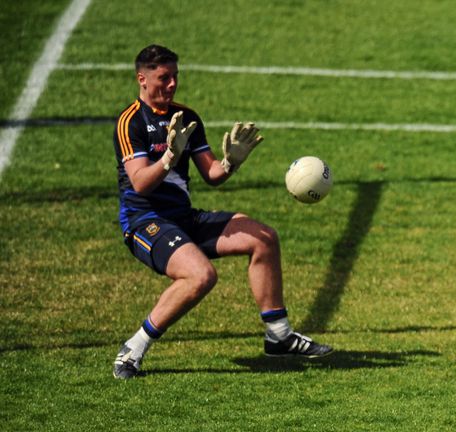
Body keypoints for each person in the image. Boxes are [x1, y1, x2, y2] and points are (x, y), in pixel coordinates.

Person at [111, 44, 332, 379]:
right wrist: (169, 157)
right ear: (142, 79)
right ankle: (133, 349)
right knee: (201, 276)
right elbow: (140, 183)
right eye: (163, 78)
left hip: (183, 219)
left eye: (175, 77)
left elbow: (211, 174)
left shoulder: (187, 119)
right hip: (146, 222)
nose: (172, 85)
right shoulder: (130, 123)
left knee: (264, 238)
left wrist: (231, 162)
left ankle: (279, 335)